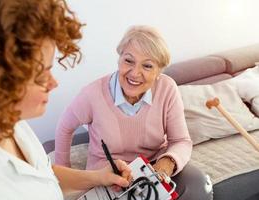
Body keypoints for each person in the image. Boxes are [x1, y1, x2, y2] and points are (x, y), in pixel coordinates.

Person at [0, 0, 132, 199]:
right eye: (42, 76)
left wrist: (98, 177)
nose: (53, 83)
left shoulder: (9, 121)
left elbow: (44, 177)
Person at [55, 25, 213, 199]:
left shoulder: (167, 88)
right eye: (129, 61)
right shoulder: (92, 94)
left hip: (154, 169)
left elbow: (181, 141)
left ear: (159, 72)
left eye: (147, 66)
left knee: (199, 186)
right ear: (119, 59)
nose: (135, 73)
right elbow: (64, 128)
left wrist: (166, 163)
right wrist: (65, 177)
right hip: (109, 174)